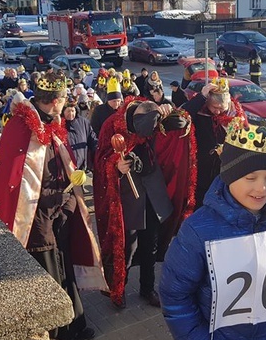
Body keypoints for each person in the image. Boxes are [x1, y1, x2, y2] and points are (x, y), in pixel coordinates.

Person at [160, 118, 266, 340]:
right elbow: (175, 294)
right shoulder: (199, 230)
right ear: (229, 175)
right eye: (250, 177)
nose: (261, 187)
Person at [0, 73, 105, 340]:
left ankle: (75, 323)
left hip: (59, 208)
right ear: (55, 101)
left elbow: (59, 165)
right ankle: (56, 334)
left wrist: (70, 192)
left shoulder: (52, 123)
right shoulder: (21, 127)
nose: (66, 105)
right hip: (36, 216)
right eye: (63, 99)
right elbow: (15, 180)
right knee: (51, 271)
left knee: (65, 266)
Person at [93, 97, 196, 309]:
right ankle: (118, 289)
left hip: (152, 189)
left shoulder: (155, 112)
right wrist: (116, 165)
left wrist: (177, 114)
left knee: (151, 243)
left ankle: (147, 288)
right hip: (127, 195)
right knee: (126, 246)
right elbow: (101, 158)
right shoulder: (111, 124)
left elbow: (181, 126)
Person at [183, 78, 244, 210]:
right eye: (214, 107)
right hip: (201, 170)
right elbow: (183, 115)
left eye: (221, 108)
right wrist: (202, 96)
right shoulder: (200, 112)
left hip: (225, 170)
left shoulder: (235, 115)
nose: (217, 112)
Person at [63, 98, 98, 172]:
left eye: (73, 111)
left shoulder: (83, 123)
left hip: (80, 168)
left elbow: (92, 139)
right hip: (65, 168)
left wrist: (98, 149)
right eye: (68, 111)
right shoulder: (59, 124)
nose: (71, 114)